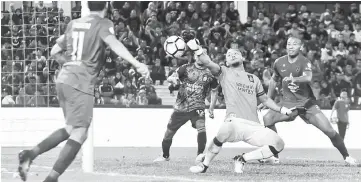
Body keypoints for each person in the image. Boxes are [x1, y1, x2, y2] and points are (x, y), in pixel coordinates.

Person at [17, 2, 149, 182]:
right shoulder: (103, 24)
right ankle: (51, 179)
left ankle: (30, 154)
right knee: (80, 132)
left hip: (64, 79)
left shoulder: (74, 24)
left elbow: (55, 51)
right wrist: (137, 63)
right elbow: (114, 43)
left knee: (71, 128)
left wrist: (71, 66)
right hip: (80, 82)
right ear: (106, 6)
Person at [183, 33, 295, 174]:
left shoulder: (254, 78)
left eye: (236, 53)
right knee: (222, 134)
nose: (232, 55)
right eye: (229, 54)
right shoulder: (223, 71)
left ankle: (242, 159)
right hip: (233, 121)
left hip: (254, 126)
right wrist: (197, 49)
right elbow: (207, 62)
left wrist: (282, 110)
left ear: (243, 58)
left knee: (279, 143)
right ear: (226, 62)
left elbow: (265, 100)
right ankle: (204, 165)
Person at [261, 36, 357, 166]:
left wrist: (294, 79)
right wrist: (268, 99)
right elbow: (273, 80)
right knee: (267, 119)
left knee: (329, 130)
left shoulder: (304, 61)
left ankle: (347, 157)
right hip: (287, 103)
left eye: (294, 44)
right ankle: (274, 157)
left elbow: (308, 77)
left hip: (306, 103)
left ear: (300, 47)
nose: (291, 46)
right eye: (289, 44)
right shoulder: (278, 62)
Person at [153, 49, 219, 163]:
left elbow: (214, 91)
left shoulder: (210, 73)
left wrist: (211, 108)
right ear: (194, 56)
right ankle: (165, 156)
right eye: (198, 55)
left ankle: (200, 155)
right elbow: (170, 77)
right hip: (181, 107)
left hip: (198, 107)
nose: (200, 57)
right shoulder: (185, 68)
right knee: (169, 132)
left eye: (203, 55)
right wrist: (173, 79)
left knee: (201, 127)